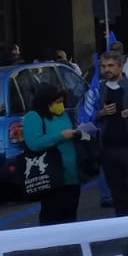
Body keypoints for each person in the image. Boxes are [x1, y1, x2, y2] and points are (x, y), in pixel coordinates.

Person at [21, 81, 82, 225]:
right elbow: (34, 143)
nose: (60, 105)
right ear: (46, 101)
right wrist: (61, 135)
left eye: (61, 101)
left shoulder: (63, 115)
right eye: (57, 102)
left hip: (72, 177)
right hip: (52, 178)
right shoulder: (34, 116)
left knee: (71, 217)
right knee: (52, 217)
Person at [94, 51, 128, 217]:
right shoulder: (98, 90)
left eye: (111, 66)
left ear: (120, 66)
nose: (107, 70)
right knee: (118, 196)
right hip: (108, 150)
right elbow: (87, 117)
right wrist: (101, 113)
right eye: (104, 66)